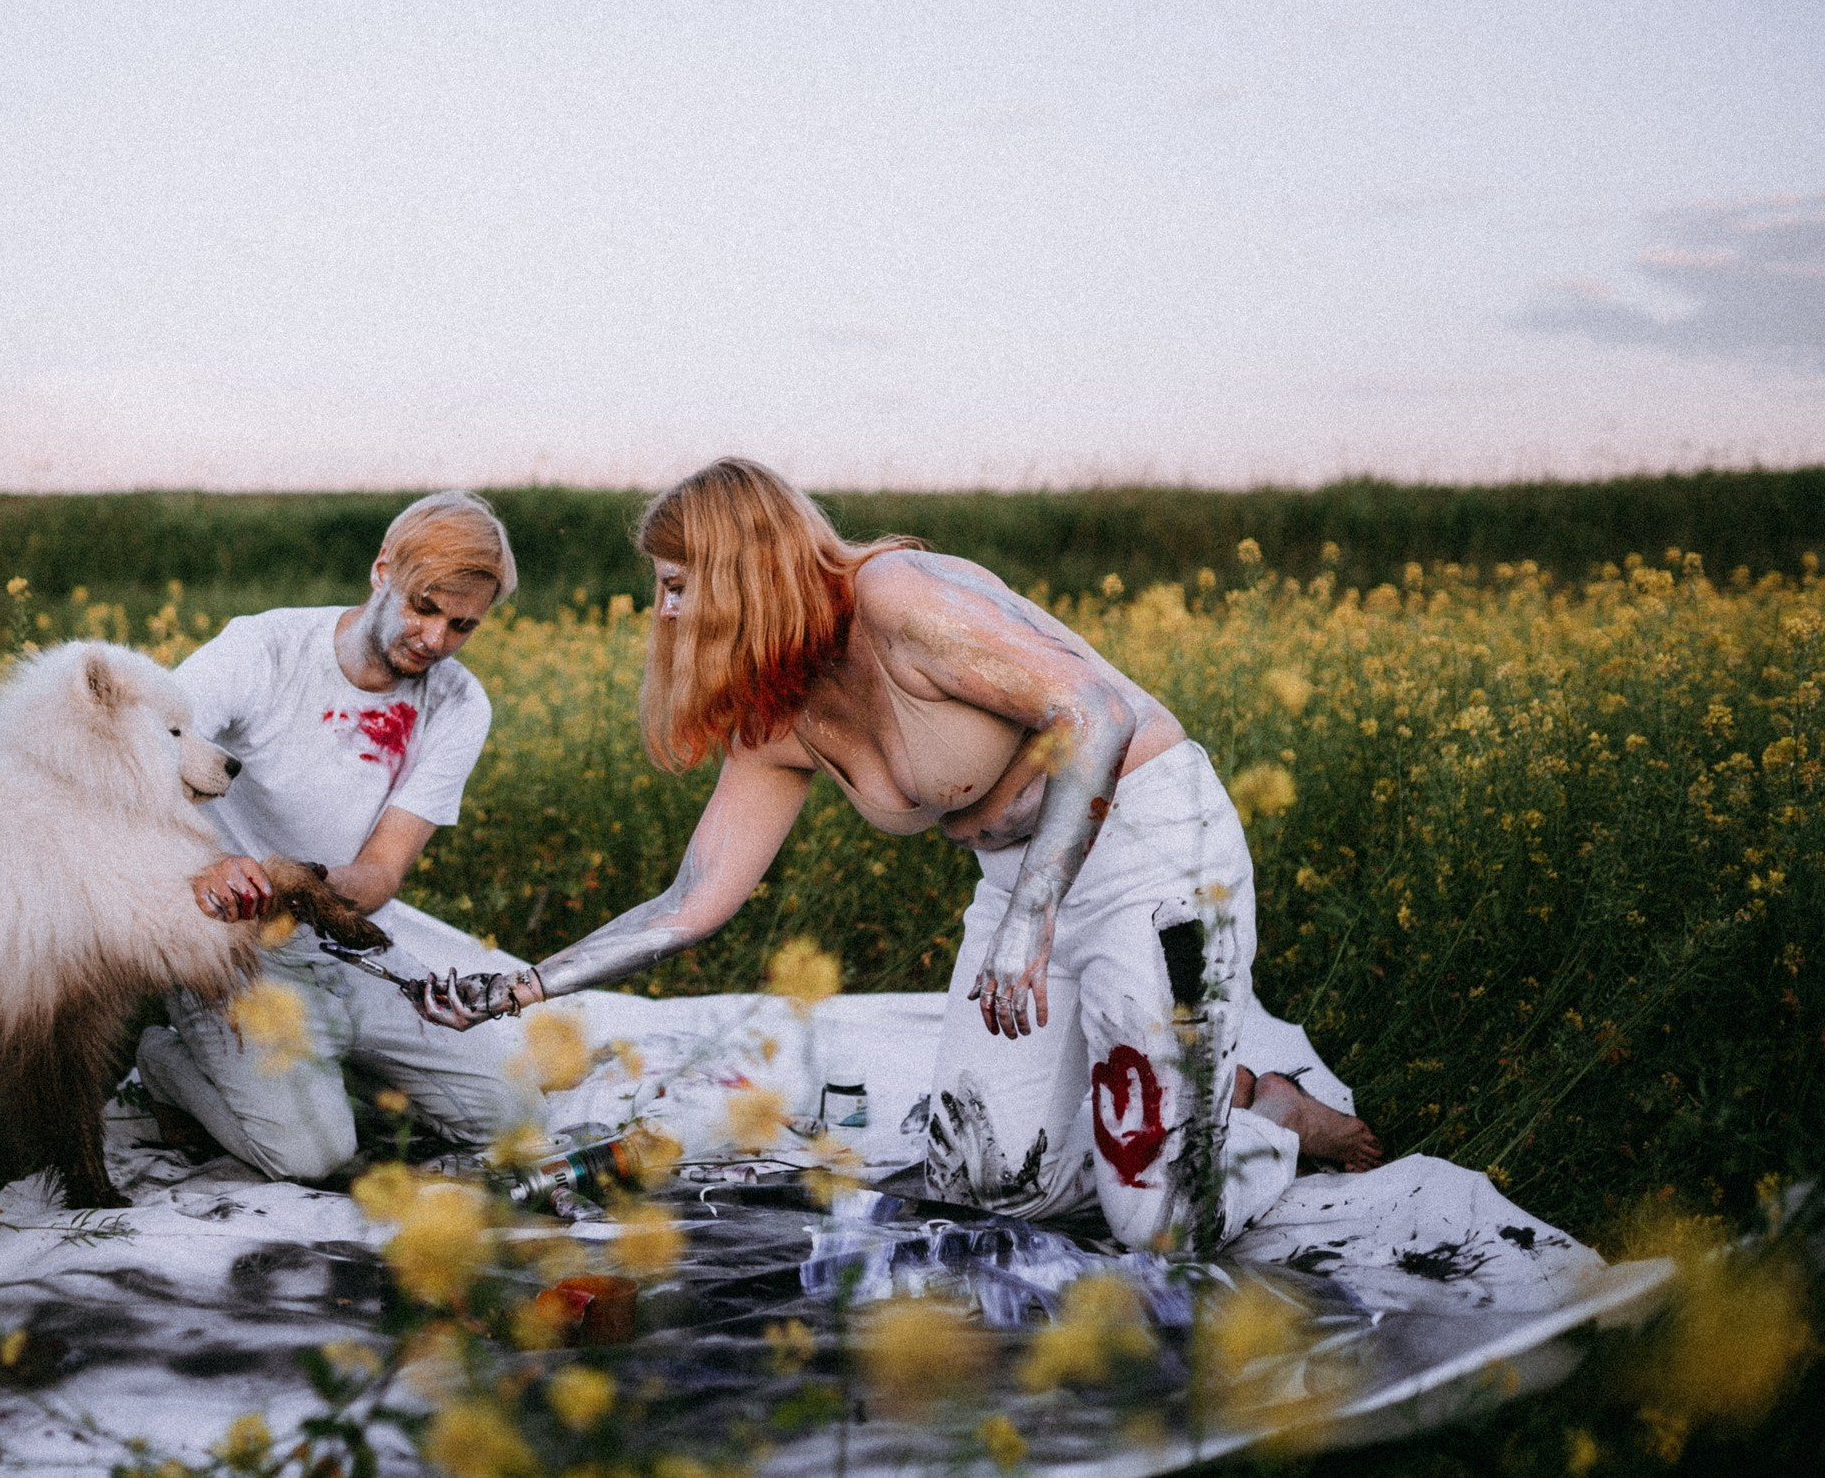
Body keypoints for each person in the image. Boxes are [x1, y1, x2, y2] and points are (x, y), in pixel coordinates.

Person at [411, 459, 1378, 1253]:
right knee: (989, 1181)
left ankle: (1265, 1113)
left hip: (1150, 851)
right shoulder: (775, 711)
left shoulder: (895, 597)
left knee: (1161, 1225)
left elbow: (1098, 711)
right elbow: (694, 899)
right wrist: (525, 987)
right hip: (1020, 886)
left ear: (740, 571)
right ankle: (1171, 1095)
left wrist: (1030, 924)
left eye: (675, 585)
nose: (662, 613)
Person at [135, 491, 535, 1182]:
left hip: (343, 938)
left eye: (463, 625)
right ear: (383, 570)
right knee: (313, 1157)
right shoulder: (266, 649)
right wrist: (203, 865)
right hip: (230, 946)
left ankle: (318, 1067)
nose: (436, 639)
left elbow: (381, 870)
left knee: (515, 1117)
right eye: (424, 606)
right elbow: (141, 751)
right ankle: (163, 1062)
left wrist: (306, 885)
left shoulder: (459, 703)